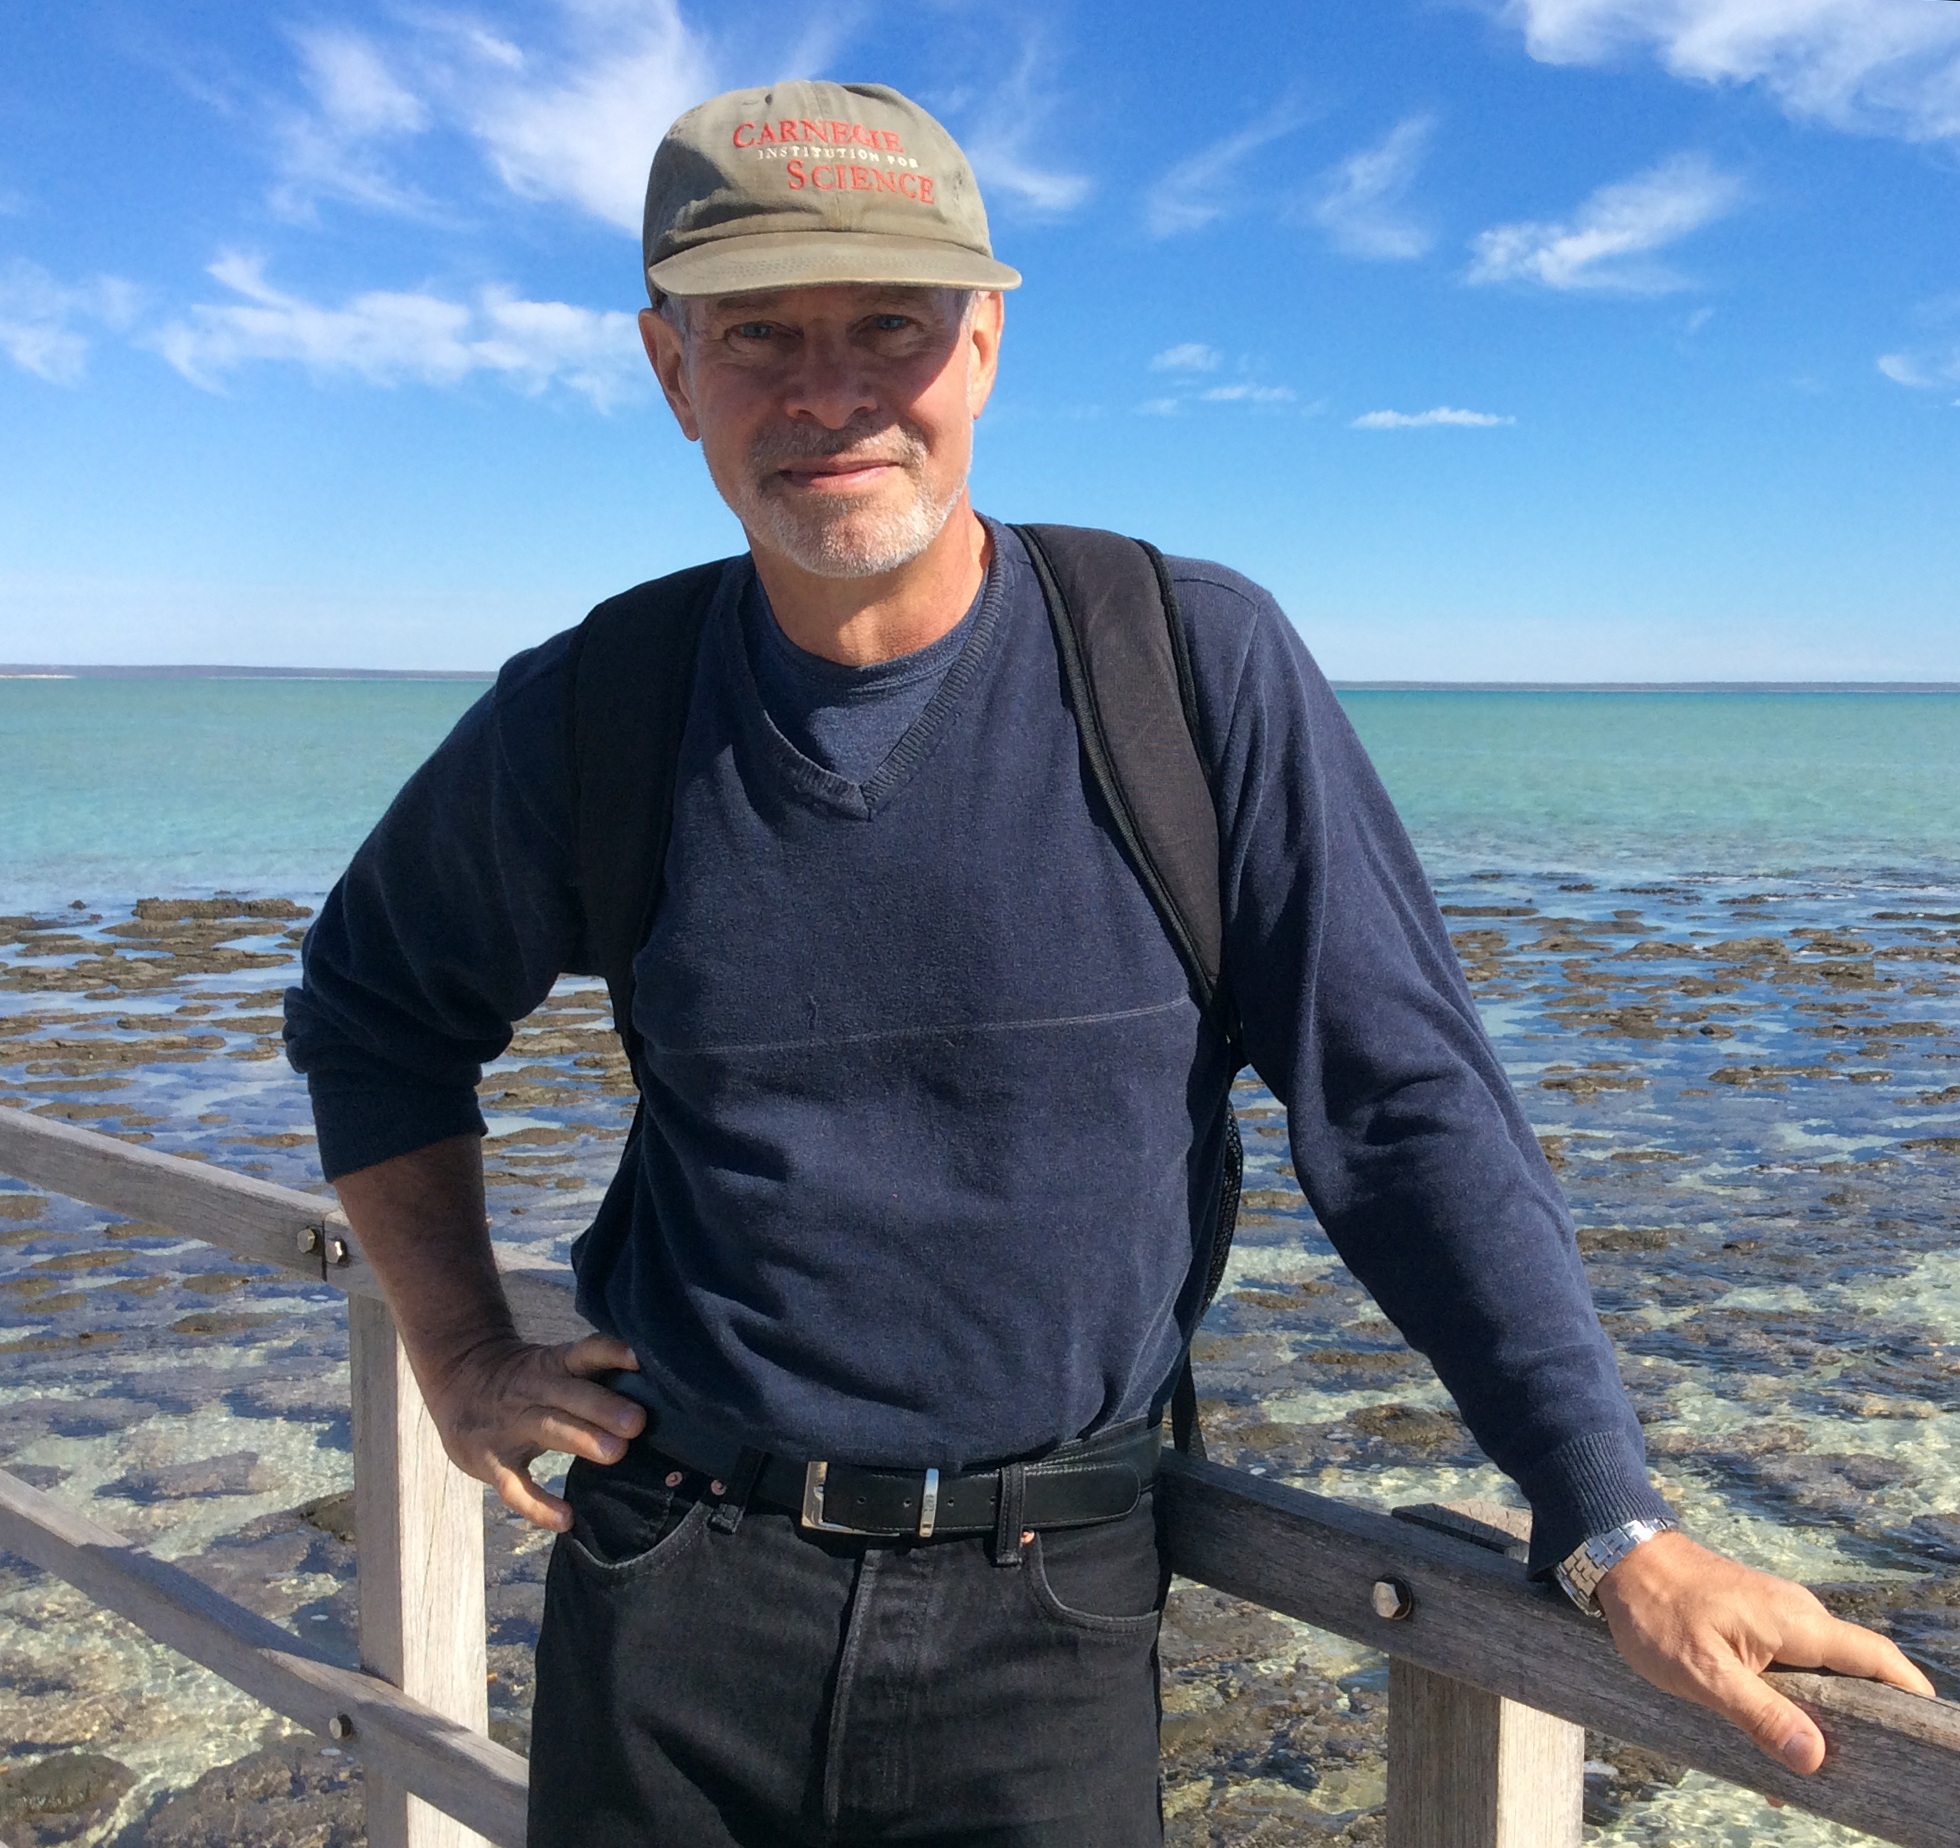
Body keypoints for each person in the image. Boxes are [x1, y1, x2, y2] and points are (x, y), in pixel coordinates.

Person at [285, 78, 1934, 1847]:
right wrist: (456, 1347)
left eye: (892, 328)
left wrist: (1610, 1523)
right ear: (669, 368)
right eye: (760, 333)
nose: (830, 391)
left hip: (1048, 1608)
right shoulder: (599, 707)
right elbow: (375, 1009)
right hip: (673, 1578)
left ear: (984, 346)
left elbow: (1397, 1109)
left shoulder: (1181, 664)